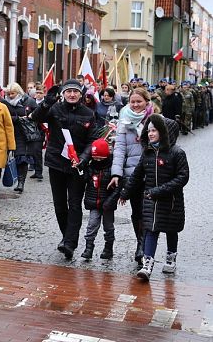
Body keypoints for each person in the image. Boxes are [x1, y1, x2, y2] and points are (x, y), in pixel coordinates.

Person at [30, 79, 97, 259]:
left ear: (81, 94)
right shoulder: (55, 109)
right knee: (60, 204)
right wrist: (46, 102)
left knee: (74, 204)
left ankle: (70, 243)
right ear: (64, 94)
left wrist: (83, 158)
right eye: (69, 92)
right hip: (56, 163)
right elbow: (36, 117)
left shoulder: (89, 114)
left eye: (76, 91)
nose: (72, 95)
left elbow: (92, 141)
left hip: (77, 166)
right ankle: (66, 236)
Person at [120, 114, 189, 281]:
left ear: (165, 132)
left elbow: (182, 177)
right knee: (150, 229)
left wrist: (160, 190)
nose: (150, 134)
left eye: (154, 130)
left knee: (171, 230)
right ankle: (147, 263)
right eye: (149, 130)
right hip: (151, 200)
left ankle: (171, 257)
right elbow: (137, 175)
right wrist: (125, 192)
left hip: (171, 202)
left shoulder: (177, 153)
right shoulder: (148, 153)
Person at [108, 87, 154, 264]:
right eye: (132, 102)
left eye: (139, 101)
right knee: (137, 211)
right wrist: (117, 173)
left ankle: (145, 246)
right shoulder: (124, 120)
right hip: (132, 174)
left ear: (146, 102)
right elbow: (119, 149)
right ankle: (140, 243)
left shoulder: (155, 120)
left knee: (146, 210)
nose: (135, 105)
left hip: (150, 174)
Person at [81, 138, 120, 260]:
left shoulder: (112, 168)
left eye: (100, 158)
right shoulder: (91, 166)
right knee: (91, 225)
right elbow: (84, 180)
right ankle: (88, 248)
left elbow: (117, 188)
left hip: (107, 204)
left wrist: (110, 201)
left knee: (108, 227)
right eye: (95, 158)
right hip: (94, 202)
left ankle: (108, 248)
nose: (97, 160)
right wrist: (81, 169)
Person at [5, 83, 37, 193]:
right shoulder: (4, 103)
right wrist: (17, 118)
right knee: (4, 158)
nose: (11, 96)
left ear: (18, 92)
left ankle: (21, 182)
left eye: (13, 93)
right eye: (8, 94)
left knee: (22, 158)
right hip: (7, 133)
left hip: (23, 134)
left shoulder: (28, 101)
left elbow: (37, 115)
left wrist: (29, 118)